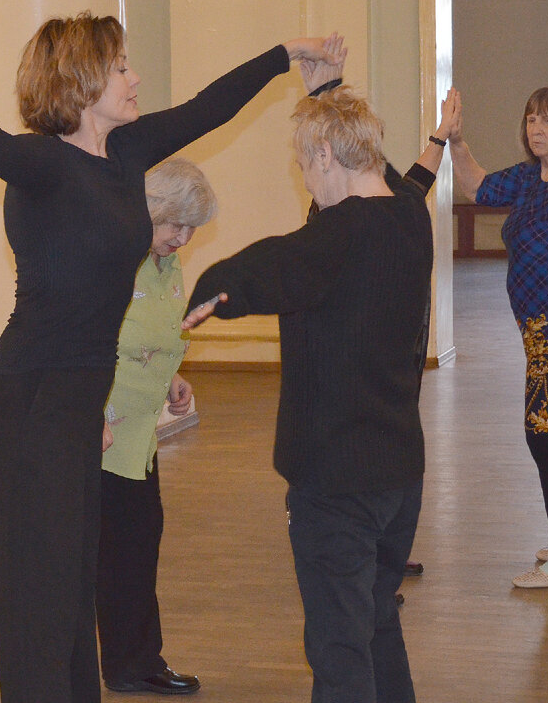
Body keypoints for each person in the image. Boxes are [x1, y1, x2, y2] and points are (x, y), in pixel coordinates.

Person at [0, 12, 339, 703]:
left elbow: (207, 109)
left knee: (72, 575)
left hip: (79, 395)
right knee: (40, 586)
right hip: (27, 395)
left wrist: (284, 55)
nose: (134, 76)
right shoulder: (45, 164)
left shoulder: (125, 154)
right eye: (120, 66)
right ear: (82, 80)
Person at [182, 78, 458, 702]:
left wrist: (211, 290)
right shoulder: (410, 218)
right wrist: (334, 95)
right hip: (398, 475)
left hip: (338, 482)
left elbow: (271, 265)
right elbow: (402, 180)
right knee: (377, 619)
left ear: (327, 156)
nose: (306, 179)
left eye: (306, 163)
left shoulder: (337, 237)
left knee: (338, 647)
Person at [445, 86, 548, 589]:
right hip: (541, 332)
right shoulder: (530, 177)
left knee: (547, 436)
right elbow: (478, 187)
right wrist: (454, 139)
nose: (537, 130)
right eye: (531, 120)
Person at [97, 158, 216, 696]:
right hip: (99, 436)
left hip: (138, 436)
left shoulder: (167, 269)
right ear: (150, 211)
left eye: (191, 228)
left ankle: (140, 660)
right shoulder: (111, 261)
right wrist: (89, 410)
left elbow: (152, 334)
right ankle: (122, 665)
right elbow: (85, 340)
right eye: (176, 224)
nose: (183, 237)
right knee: (115, 555)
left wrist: (172, 376)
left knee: (138, 549)